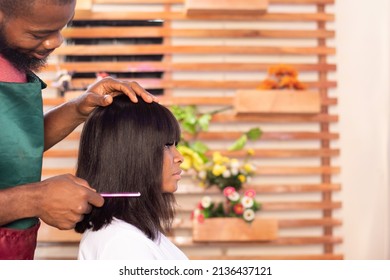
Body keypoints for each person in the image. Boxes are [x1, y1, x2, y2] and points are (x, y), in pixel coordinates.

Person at [0, 0, 157, 260]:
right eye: (39, 34)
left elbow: (13, 146)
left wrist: (78, 108)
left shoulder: (12, 61)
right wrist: (32, 200)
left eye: (62, 27)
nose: (55, 42)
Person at [75, 95, 187, 260]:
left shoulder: (130, 235)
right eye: (166, 145)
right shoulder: (123, 243)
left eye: (174, 145)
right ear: (131, 154)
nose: (179, 157)